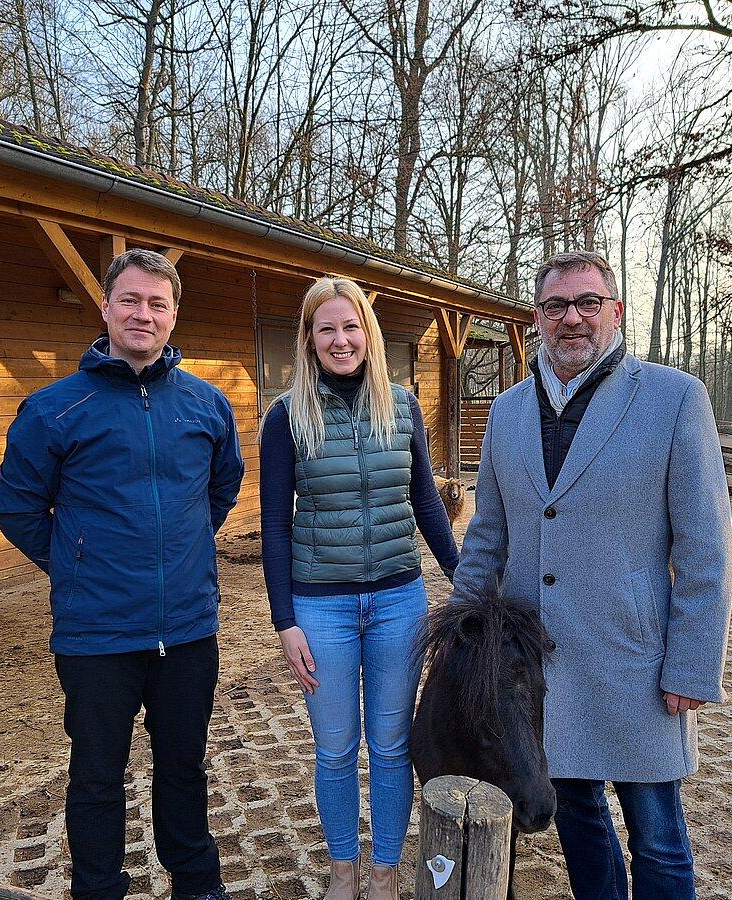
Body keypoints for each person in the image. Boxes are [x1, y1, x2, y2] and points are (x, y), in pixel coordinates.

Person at [453, 251, 732, 899]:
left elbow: (706, 549)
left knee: (656, 834)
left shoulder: (674, 400)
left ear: (616, 312)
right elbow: (488, 538)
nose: (571, 318)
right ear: (537, 319)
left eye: (586, 303)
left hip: (636, 662)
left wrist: (692, 667)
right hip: (543, 669)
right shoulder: (507, 413)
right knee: (577, 819)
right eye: (555, 306)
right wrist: (460, 641)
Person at [0, 249, 244, 900]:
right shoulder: (56, 409)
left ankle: (197, 884)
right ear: (104, 307)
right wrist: (81, 561)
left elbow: (221, 491)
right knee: (99, 775)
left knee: (183, 768)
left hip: (187, 630)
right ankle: (99, 888)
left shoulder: (207, 406)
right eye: (129, 300)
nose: (143, 314)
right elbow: (18, 507)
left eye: (157, 303)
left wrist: (176, 552)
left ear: (174, 315)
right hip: (96, 635)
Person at [259, 277, 460, 900]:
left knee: (393, 747)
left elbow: (426, 502)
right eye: (327, 330)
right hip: (321, 608)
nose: (341, 340)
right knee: (338, 748)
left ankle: (385, 870)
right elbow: (272, 523)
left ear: (367, 334)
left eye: (351, 327)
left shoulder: (401, 407)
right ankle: (343, 868)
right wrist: (284, 622)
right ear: (310, 338)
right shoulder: (286, 416)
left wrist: (468, 582)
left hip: (400, 601)